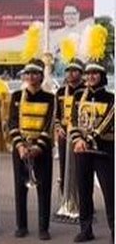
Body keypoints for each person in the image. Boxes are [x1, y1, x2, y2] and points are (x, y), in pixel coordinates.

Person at [8, 58, 55, 241]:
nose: (31, 76)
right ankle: (21, 225)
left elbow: (49, 124)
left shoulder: (50, 98)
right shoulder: (16, 96)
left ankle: (43, 228)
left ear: (41, 76)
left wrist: (38, 147)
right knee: (20, 188)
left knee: (43, 188)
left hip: (41, 149)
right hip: (20, 148)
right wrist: (19, 145)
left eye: (35, 73)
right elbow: (12, 122)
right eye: (27, 73)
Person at [70, 61, 114, 243]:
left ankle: (114, 230)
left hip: (104, 151)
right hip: (82, 150)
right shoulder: (79, 95)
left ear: (102, 76)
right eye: (88, 74)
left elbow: (107, 123)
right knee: (84, 190)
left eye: (95, 73)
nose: (91, 76)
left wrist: (87, 139)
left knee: (110, 192)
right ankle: (86, 229)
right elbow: (72, 120)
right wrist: (77, 139)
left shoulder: (111, 97)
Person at [54, 58, 85, 194]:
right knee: (64, 167)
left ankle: (83, 202)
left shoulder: (86, 91)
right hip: (64, 133)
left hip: (81, 134)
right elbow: (56, 115)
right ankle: (66, 199)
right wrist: (59, 128)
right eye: (68, 71)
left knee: (82, 168)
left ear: (81, 73)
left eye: (74, 71)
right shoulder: (60, 92)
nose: (71, 74)